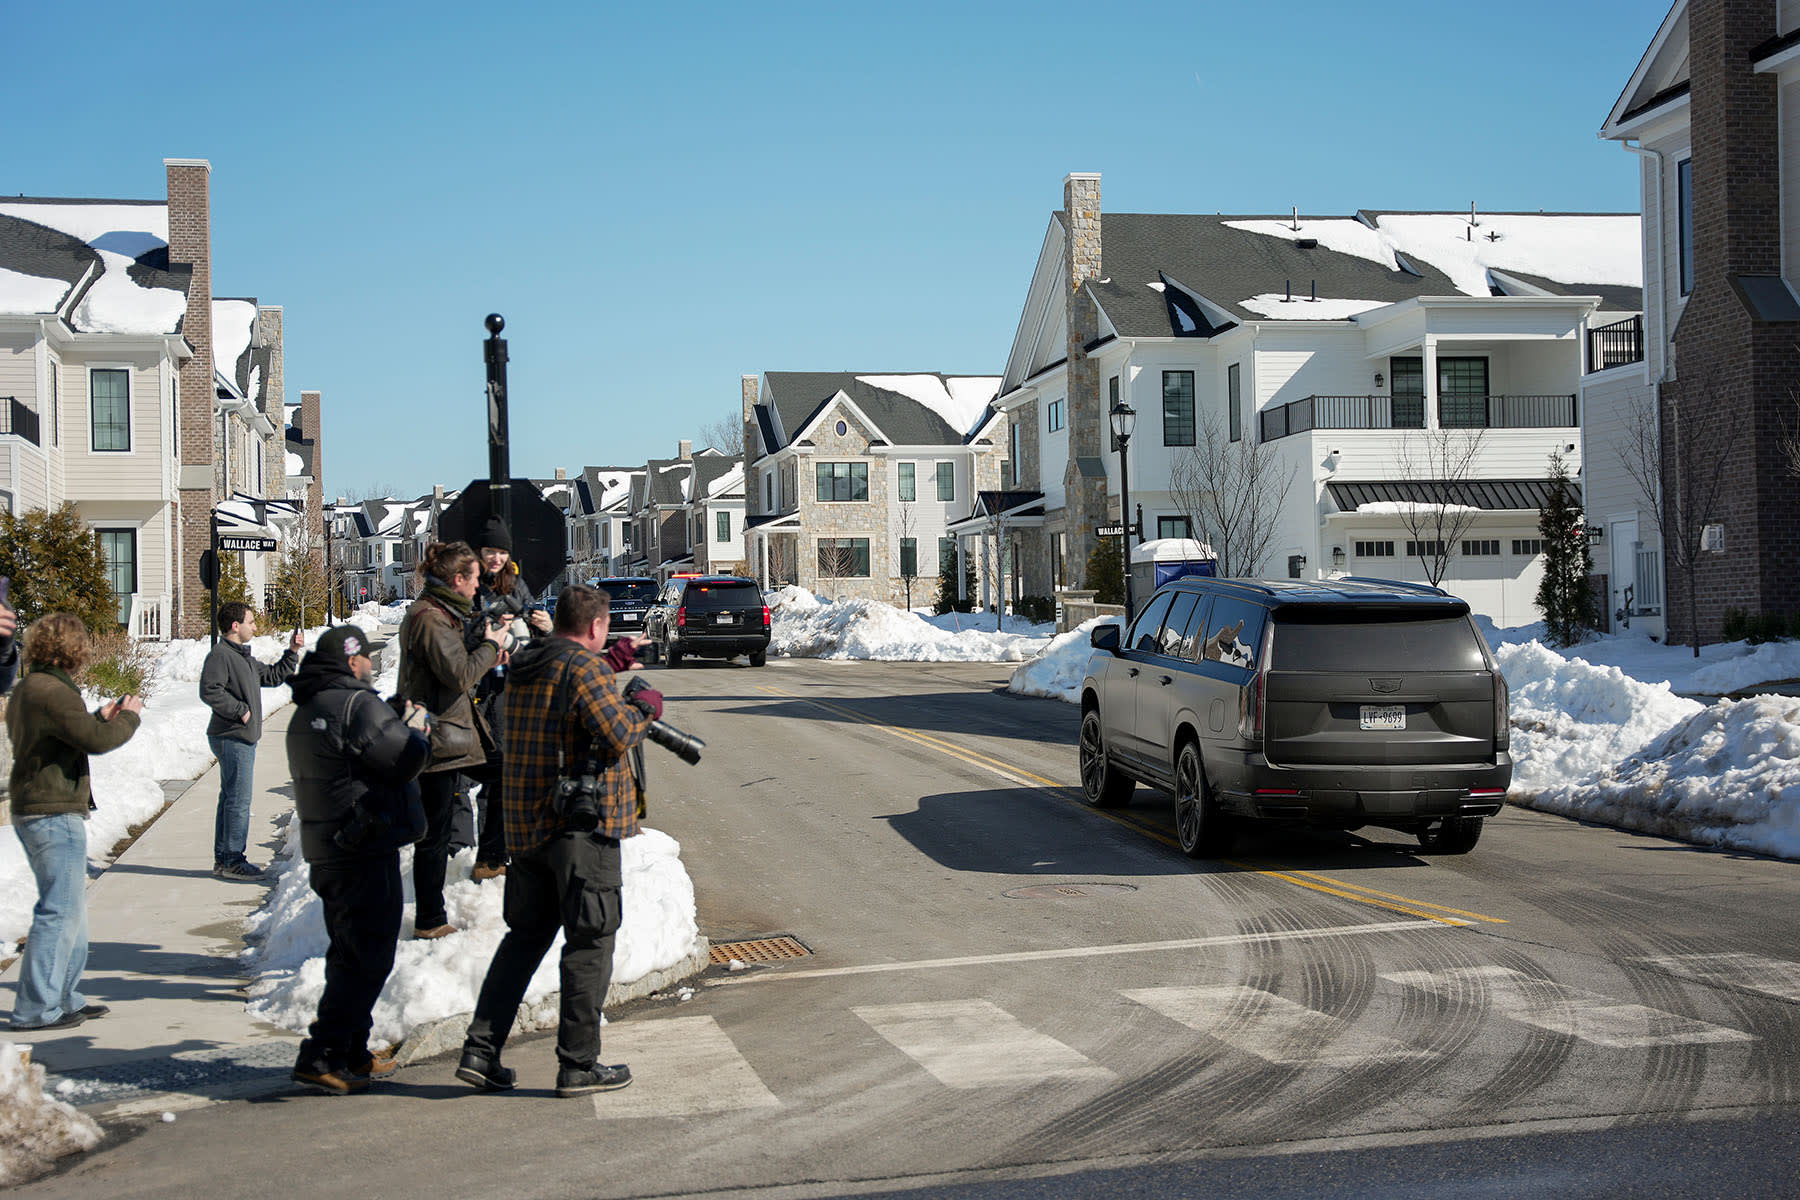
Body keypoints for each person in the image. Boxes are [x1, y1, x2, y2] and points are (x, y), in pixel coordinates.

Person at [456, 584, 658, 1098]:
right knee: (590, 941)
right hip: (580, 831)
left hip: (528, 826)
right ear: (595, 626)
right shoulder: (584, 669)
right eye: (605, 629)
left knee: (523, 940)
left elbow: (569, 693)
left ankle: (481, 1051)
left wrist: (613, 662)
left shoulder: (528, 664)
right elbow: (617, 732)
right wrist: (645, 707)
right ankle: (578, 1063)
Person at [285, 623, 431, 1094]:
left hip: (327, 848)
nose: (370, 664)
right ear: (353, 661)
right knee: (369, 955)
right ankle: (322, 1053)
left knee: (349, 952)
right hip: (363, 845)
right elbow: (403, 758)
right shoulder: (357, 704)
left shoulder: (308, 707)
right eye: (366, 657)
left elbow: (354, 758)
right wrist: (416, 730)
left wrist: (391, 720)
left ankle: (352, 1051)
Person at [6, 613, 141, 1031]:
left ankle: (63, 997)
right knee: (59, 911)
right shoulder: (53, 692)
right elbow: (94, 741)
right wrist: (128, 718)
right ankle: (36, 1009)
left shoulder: (31, 687)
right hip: (52, 811)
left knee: (71, 911)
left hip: (38, 806)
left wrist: (97, 716)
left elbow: (62, 736)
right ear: (72, 648)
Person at [396, 541, 506, 939]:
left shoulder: (442, 613)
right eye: (474, 578)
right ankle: (429, 920)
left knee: (505, 773)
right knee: (435, 832)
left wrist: (483, 647)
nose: (479, 585)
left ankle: (491, 858)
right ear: (458, 579)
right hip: (438, 735)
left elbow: (452, 665)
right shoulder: (429, 618)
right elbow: (458, 675)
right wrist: (492, 646)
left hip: (449, 731)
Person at [464, 516, 553, 880]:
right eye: (490, 551)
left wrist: (544, 628)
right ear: (479, 553)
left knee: (515, 775)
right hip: (481, 691)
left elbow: (535, 639)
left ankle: (510, 849)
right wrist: (487, 630)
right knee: (491, 776)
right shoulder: (468, 585)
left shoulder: (517, 586)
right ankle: (489, 856)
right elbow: (461, 634)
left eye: (501, 552)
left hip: (514, 690)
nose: (496, 559)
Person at [199, 602, 302, 879]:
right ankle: (233, 860)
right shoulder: (221, 655)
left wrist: (292, 652)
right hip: (231, 736)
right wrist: (240, 710)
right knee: (238, 801)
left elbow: (272, 676)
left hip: (239, 736)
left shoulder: (242, 656)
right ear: (236, 626)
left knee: (230, 798)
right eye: (251, 622)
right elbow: (209, 690)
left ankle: (224, 858)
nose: (255, 627)